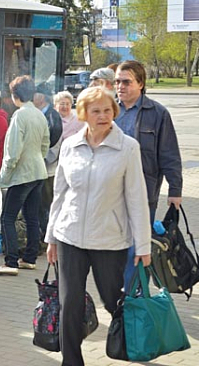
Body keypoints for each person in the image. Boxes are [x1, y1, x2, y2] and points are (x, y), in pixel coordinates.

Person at [45, 86, 152, 366]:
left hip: (109, 240)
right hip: (70, 237)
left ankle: (127, 344)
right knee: (69, 304)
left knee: (112, 300)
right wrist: (51, 237)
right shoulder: (70, 146)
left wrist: (143, 245)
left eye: (108, 110)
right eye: (96, 111)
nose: (103, 116)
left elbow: (137, 200)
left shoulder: (128, 147)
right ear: (84, 114)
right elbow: (60, 195)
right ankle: (72, 361)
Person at [114, 60, 183, 289]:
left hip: (143, 193)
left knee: (137, 248)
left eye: (126, 82)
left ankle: (132, 297)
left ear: (141, 84)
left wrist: (175, 191)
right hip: (109, 195)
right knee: (114, 249)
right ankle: (119, 296)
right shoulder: (109, 110)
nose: (120, 87)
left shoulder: (158, 114)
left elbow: (169, 154)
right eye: (117, 82)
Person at [0, 76, 49, 276]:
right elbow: (45, 144)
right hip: (38, 171)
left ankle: (11, 261)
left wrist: (4, 175)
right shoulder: (39, 114)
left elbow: (13, 152)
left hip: (21, 174)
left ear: (15, 95)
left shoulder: (19, 116)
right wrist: (37, 160)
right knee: (32, 217)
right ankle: (30, 258)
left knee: (7, 218)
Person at [33, 83, 63, 242]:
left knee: (47, 204)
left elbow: (53, 143)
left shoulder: (52, 116)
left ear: (42, 97)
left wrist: (40, 158)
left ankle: (51, 236)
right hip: (40, 166)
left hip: (48, 168)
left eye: (35, 94)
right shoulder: (42, 114)